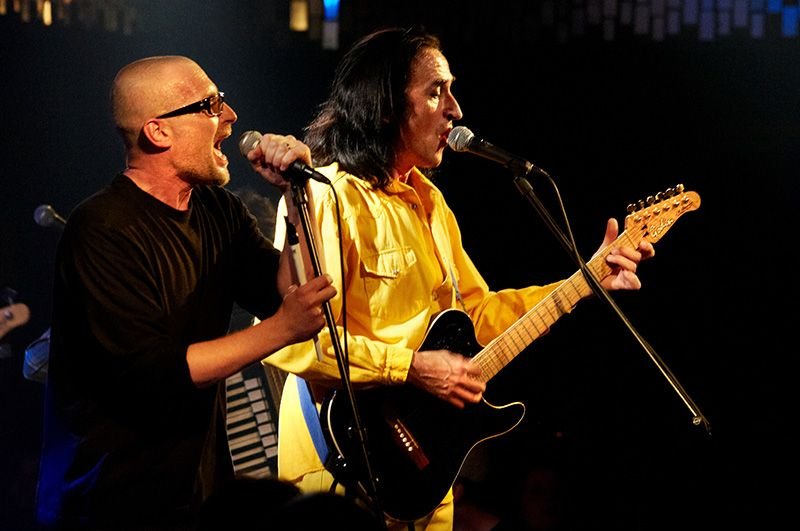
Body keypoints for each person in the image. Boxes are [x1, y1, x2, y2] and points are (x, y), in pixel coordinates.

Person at [254, 27, 656, 531]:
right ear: (384, 105)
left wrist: (586, 281)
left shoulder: (431, 203)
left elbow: (478, 315)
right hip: (343, 471)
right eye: (435, 91)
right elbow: (295, 343)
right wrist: (412, 368)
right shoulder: (326, 197)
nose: (455, 110)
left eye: (452, 91)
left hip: (425, 478)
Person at [36, 55, 336, 530]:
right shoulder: (102, 230)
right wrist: (280, 330)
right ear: (158, 132)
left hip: (196, 496)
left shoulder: (218, 209)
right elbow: (155, 374)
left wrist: (296, 198)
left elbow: (286, 294)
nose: (231, 117)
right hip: (110, 503)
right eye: (210, 105)